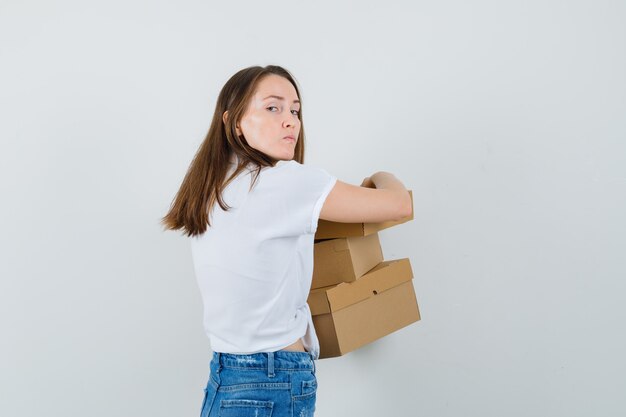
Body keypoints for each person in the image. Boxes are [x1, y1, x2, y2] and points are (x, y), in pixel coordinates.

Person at [161, 65, 412, 417]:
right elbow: (399, 205)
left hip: (225, 373)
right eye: (273, 107)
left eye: (295, 110)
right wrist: (380, 176)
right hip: (274, 377)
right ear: (234, 122)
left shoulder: (211, 189)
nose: (291, 120)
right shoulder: (286, 183)